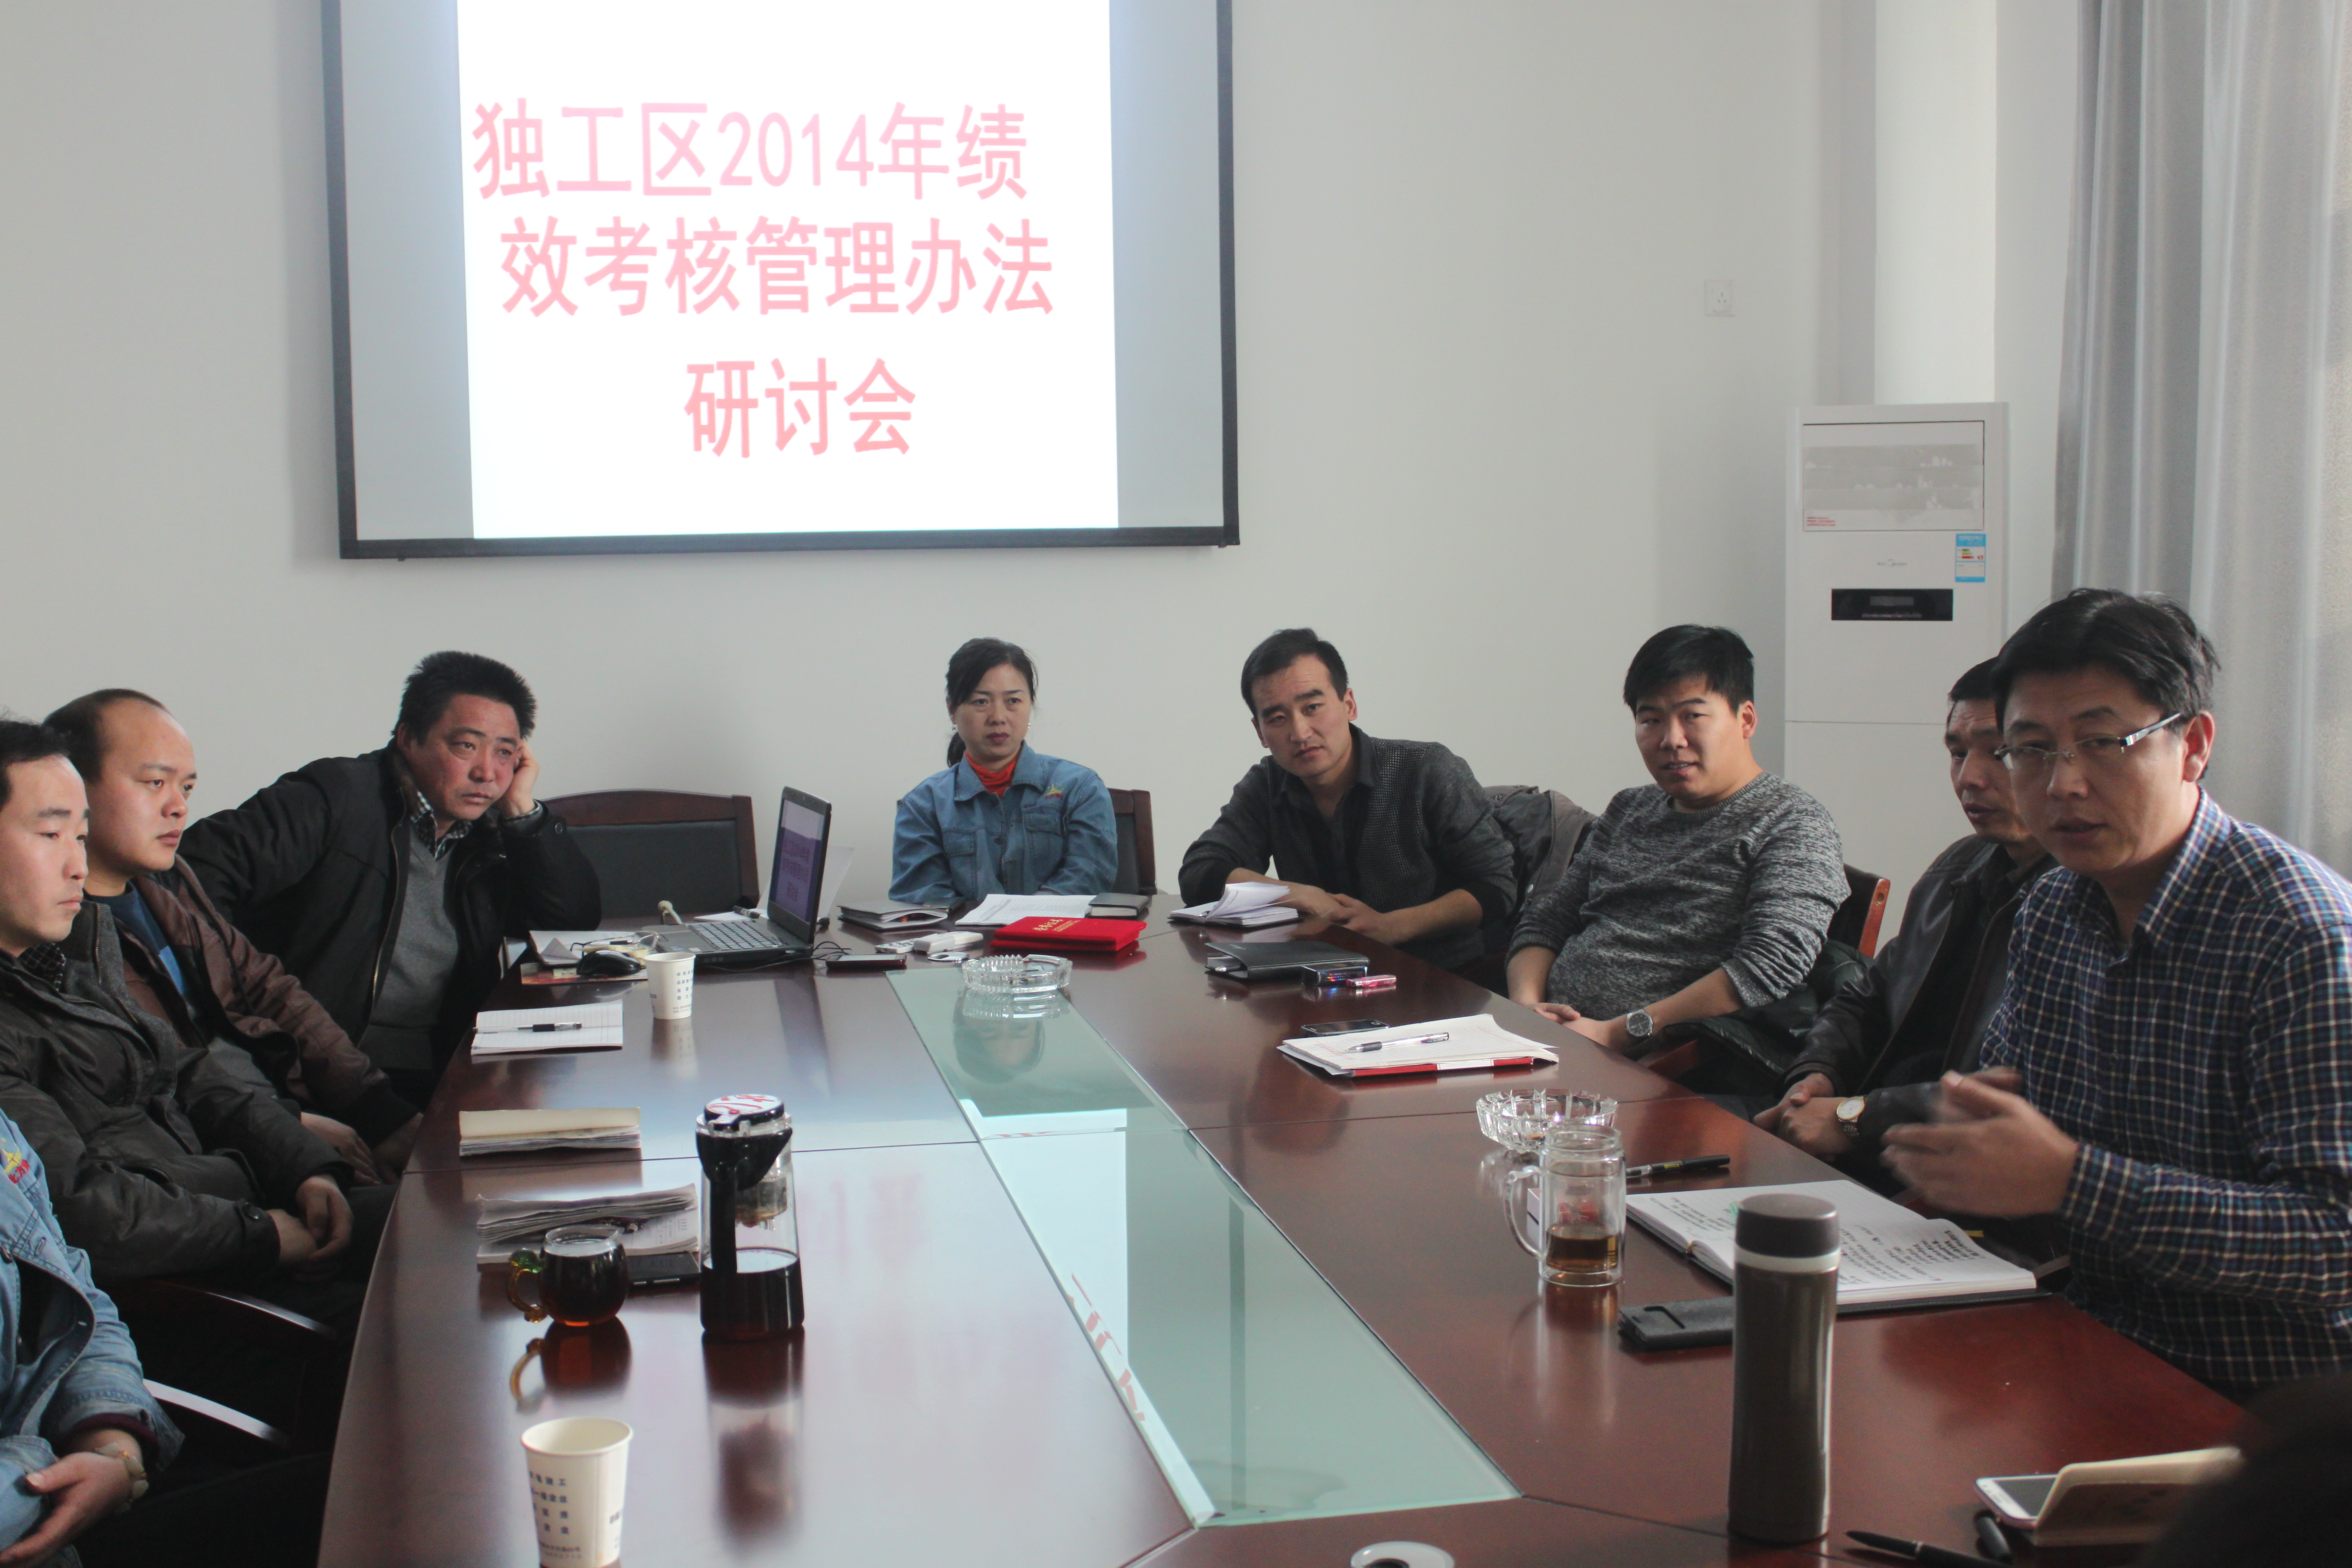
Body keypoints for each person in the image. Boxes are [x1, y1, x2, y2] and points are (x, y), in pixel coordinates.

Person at [1883, 589, 2352, 1395]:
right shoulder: (2051, 909)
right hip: (2086, 1345)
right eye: (2031, 749)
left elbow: (2333, 1242)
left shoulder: (2302, 937)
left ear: (2192, 745)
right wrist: (1958, 1159)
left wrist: (2073, 1182)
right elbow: (2009, 1106)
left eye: (2102, 743)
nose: (2063, 783)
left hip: (2268, 1410)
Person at [179, 652, 600, 1108]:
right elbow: (190, 877)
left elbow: (570, 919)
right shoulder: (334, 799)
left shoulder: (491, 837)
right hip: (315, 1072)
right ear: (408, 738)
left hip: (441, 1070)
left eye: (504, 752)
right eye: (466, 746)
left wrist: (522, 813)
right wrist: (243, 1014)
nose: (487, 772)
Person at [45, 690, 421, 1183]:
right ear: (72, 787)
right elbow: (159, 1081)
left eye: (187, 788)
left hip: (282, 1119)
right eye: (155, 782)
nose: (178, 807)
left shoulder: (170, 882)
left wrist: (379, 1110)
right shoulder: (58, 934)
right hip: (224, 1164)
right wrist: (292, 1134)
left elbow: (268, 988)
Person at [1753, 660, 2054, 1172]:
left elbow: (2013, 1086)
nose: (1969, 777)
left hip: (1947, 1169)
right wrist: (1818, 1074)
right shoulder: (1959, 868)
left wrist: (1853, 1118)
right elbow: (1867, 996)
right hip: (1864, 1138)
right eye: (1957, 753)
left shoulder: (2075, 903)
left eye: (2000, 752)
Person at [1507, 625, 1846, 1053]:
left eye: (1692, 716)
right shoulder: (1629, 808)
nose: (1671, 740)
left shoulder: (1792, 822)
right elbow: (1548, 919)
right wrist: (1527, 1008)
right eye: (1651, 720)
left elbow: (1770, 965)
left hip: (1665, 1062)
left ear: (1745, 719)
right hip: (1553, 1043)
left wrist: (1618, 1032)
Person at [1178, 628, 1518, 971]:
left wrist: (1393, 926)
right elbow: (1200, 871)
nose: (1300, 732)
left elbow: (1497, 885)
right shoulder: (1267, 784)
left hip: (1440, 977)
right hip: (1320, 979)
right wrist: (1298, 895)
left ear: (1349, 704)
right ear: (1260, 732)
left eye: (1313, 707)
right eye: (1278, 719)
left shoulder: (1426, 769)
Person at [889, 638, 1118, 907]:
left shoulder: (1080, 788)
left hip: (1054, 931)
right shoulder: (923, 805)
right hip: (962, 935)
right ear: (953, 710)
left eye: (1013, 701)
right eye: (981, 701)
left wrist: (1022, 917)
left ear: (1030, 705)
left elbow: (1089, 876)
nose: (998, 717)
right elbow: (923, 898)